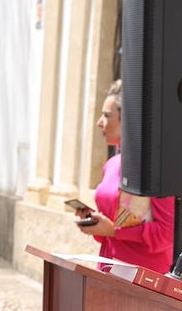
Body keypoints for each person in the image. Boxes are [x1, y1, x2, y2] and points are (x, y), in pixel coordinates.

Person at [73, 79, 175, 272]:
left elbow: (167, 234)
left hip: (143, 278)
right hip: (108, 270)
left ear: (127, 119)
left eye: (106, 115)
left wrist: (113, 230)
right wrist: (96, 222)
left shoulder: (155, 166)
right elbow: (111, 229)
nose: (99, 123)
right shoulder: (111, 164)